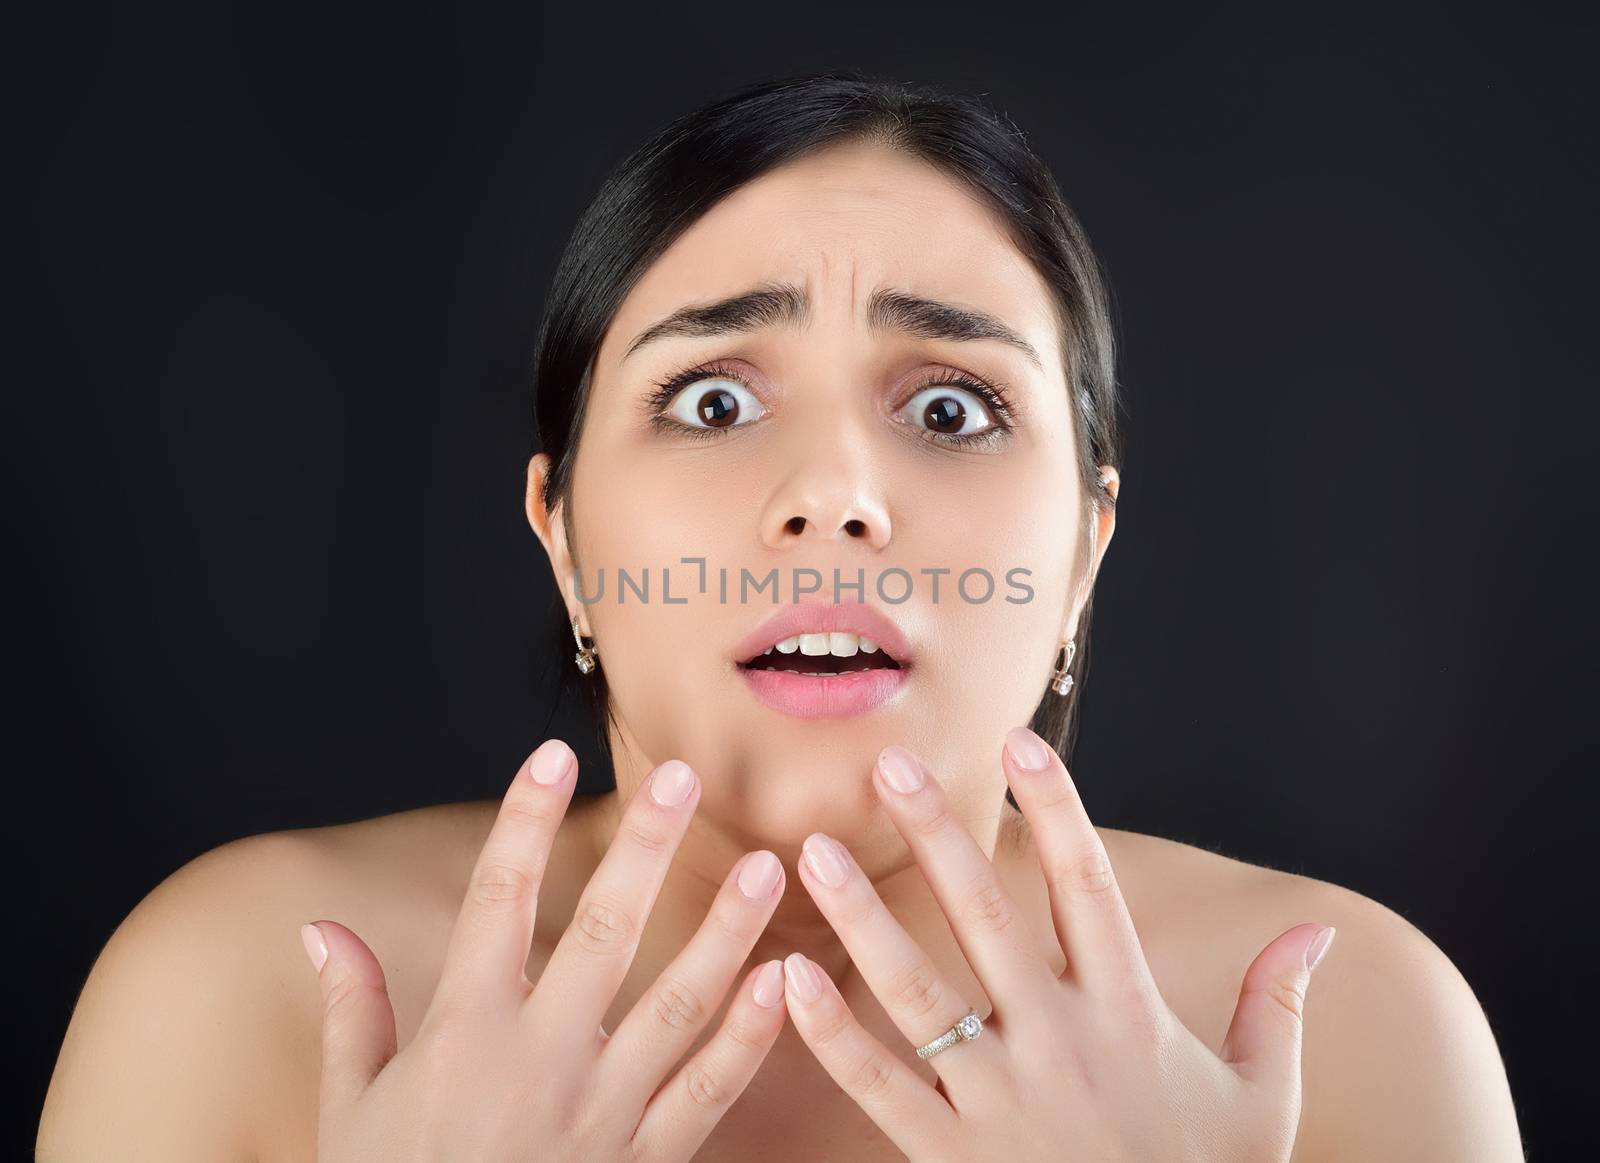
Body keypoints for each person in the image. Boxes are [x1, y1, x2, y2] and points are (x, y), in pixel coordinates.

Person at [37, 71, 1525, 1161]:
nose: (833, 494)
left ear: (1084, 550)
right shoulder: (240, 994)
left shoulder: (1353, 1028)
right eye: (713, 398)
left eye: (952, 407)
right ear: (564, 539)